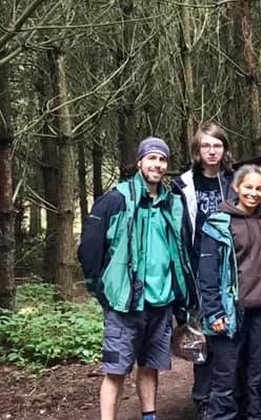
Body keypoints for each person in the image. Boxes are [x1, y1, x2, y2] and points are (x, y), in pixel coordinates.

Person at [79, 137, 191, 420]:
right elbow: (89, 249)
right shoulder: (115, 200)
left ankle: (149, 416)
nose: (157, 164)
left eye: (162, 159)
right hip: (125, 304)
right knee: (115, 370)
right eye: (151, 158)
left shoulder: (171, 203)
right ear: (140, 161)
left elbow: (181, 251)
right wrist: (102, 290)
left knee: (150, 366)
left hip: (160, 302)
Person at [198, 164, 261, 420]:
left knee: (257, 375)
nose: (253, 193)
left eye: (259, 188)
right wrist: (214, 312)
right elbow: (207, 272)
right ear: (236, 187)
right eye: (248, 187)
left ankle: (258, 416)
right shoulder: (218, 223)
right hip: (230, 310)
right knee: (225, 375)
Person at [169, 121, 235, 418]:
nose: (211, 151)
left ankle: (231, 399)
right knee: (202, 335)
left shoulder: (236, 181)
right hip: (196, 270)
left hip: (232, 270)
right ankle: (203, 401)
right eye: (206, 146)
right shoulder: (183, 185)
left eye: (217, 145)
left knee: (231, 334)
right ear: (197, 150)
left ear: (224, 149)